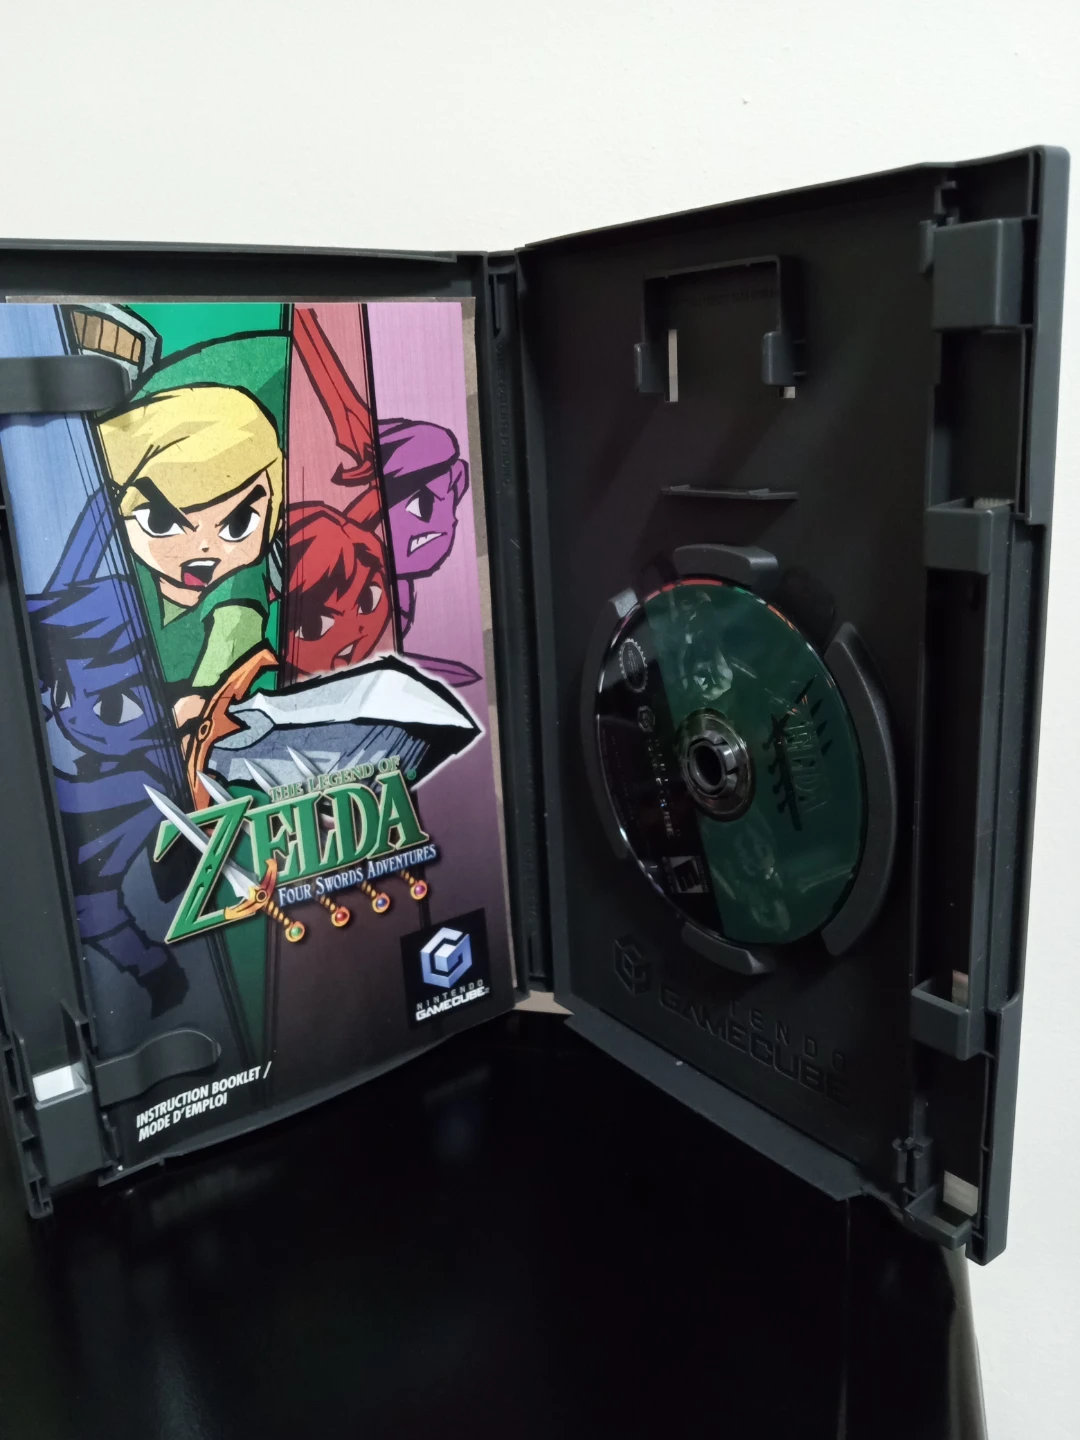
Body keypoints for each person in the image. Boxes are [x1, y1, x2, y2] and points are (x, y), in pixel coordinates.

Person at [99, 385, 285, 736]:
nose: (204, 548)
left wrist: (194, 705)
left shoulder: (238, 592)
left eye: (239, 523)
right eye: (161, 522)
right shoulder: (124, 579)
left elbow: (207, 700)